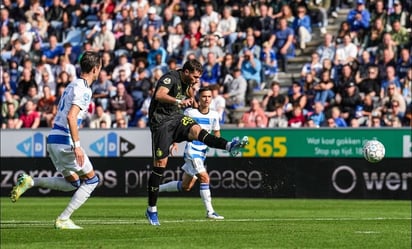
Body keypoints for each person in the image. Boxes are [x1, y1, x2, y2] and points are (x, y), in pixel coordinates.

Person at [146, 59, 249, 226]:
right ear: (186, 72)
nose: (197, 80)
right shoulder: (170, 78)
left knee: (198, 131)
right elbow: (159, 95)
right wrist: (179, 102)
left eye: (198, 77)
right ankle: (151, 209)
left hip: (177, 119)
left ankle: (229, 146)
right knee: (160, 165)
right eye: (195, 77)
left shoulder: (188, 84)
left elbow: (190, 95)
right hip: (161, 123)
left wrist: (192, 101)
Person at [10, 51, 102, 229]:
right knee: (92, 180)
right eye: (99, 69)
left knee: (73, 183)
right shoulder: (84, 89)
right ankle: (63, 219)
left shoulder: (71, 85)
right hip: (65, 141)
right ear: (95, 69)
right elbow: (71, 117)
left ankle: (31, 182)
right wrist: (77, 146)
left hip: (53, 139)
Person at [159, 87, 224, 219]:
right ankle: (210, 212)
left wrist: (226, 146)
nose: (207, 99)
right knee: (205, 178)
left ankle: (156, 188)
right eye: (204, 96)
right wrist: (174, 143)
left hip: (202, 153)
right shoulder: (190, 113)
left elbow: (217, 135)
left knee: (186, 186)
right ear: (199, 98)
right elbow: (179, 129)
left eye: (209, 97)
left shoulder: (215, 115)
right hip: (192, 151)